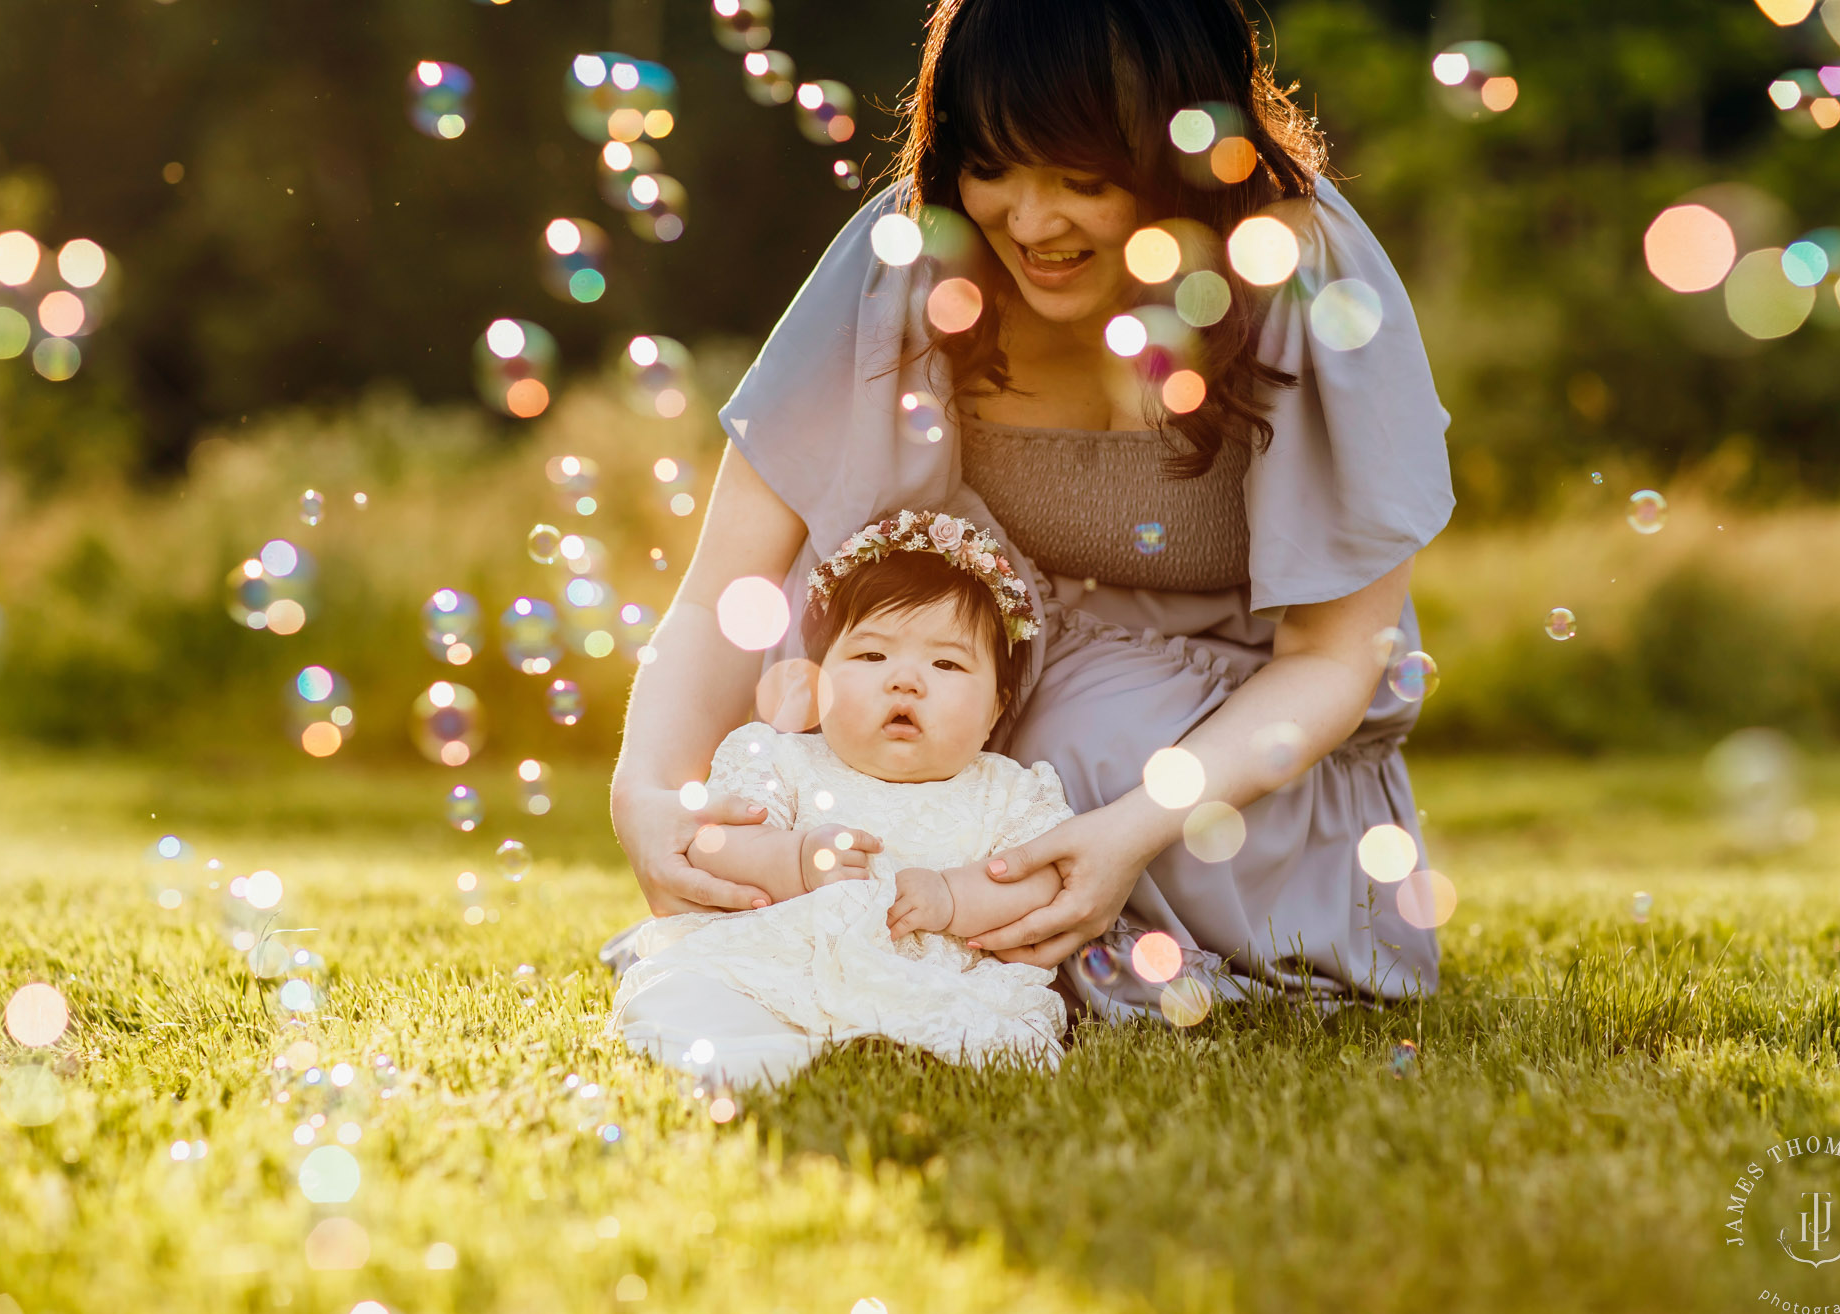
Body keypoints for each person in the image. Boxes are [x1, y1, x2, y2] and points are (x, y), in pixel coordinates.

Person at [605, 0, 1454, 1024]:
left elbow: (1334, 657)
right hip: (990, 708)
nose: (1031, 222)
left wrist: (1128, 831)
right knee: (835, 652)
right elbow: (724, 593)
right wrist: (647, 793)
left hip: (1220, 773)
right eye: (992, 164)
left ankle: (1069, 926)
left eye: (1083, 183)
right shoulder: (911, 260)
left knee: (1085, 736)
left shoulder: (1294, 274)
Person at [609, 510, 1081, 1088]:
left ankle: (900, 1050)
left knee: (986, 1035)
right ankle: (761, 1054)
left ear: (996, 710)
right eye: (871, 656)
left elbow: (1043, 883)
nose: (905, 680)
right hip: (786, 960)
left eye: (947, 662)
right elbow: (713, 844)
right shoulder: (782, 761)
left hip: (938, 976)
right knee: (700, 995)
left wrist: (954, 898)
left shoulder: (1008, 791)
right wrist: (795, 859)